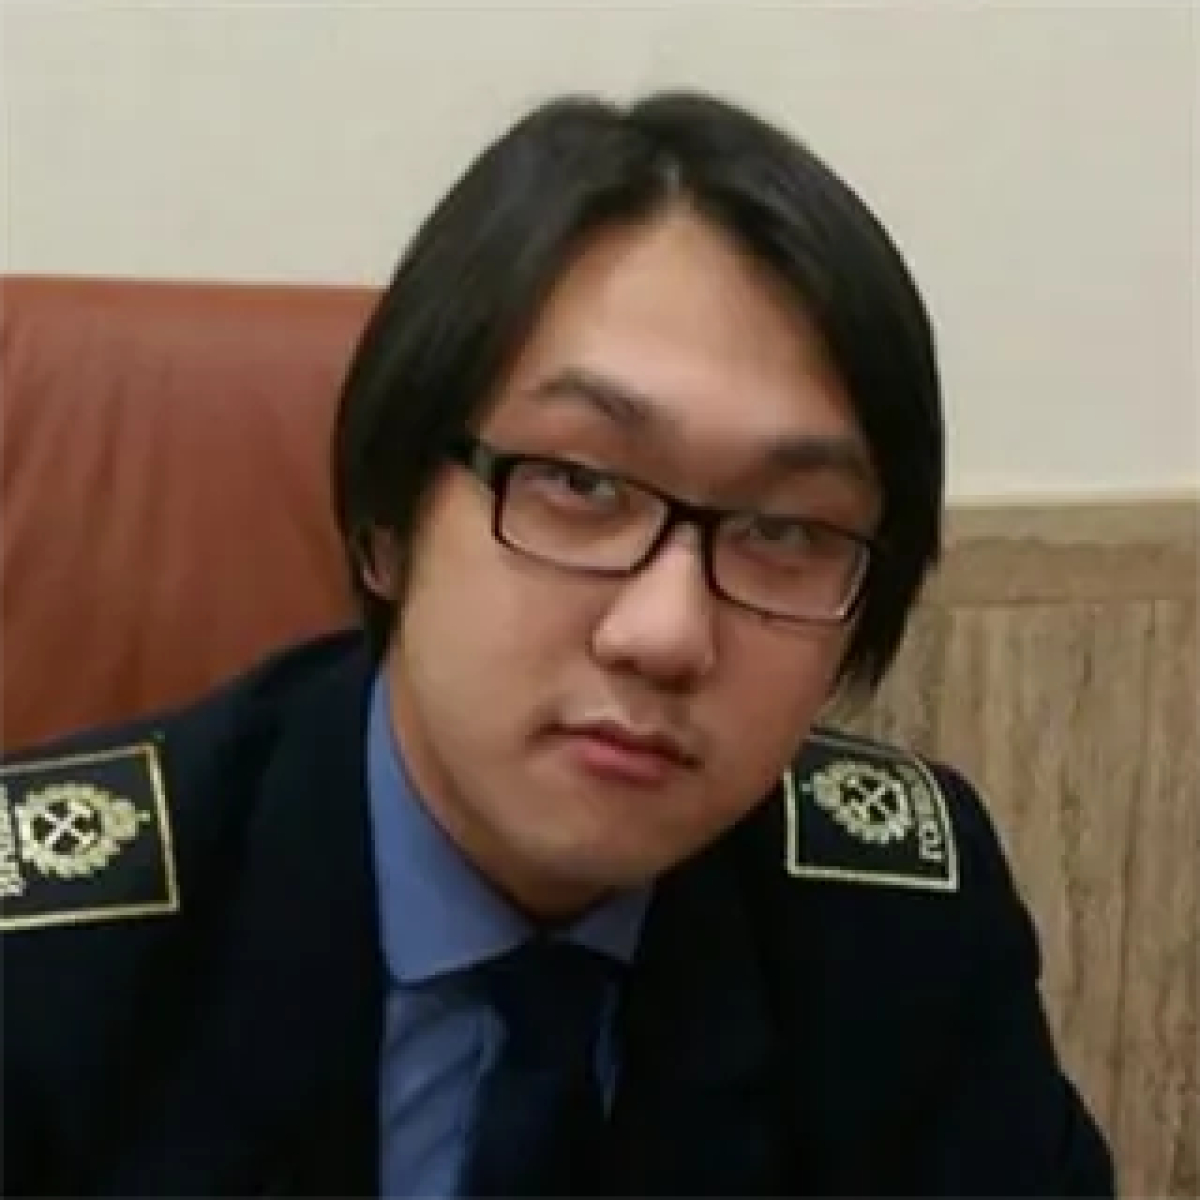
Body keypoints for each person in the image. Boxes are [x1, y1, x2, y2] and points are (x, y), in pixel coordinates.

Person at [1, 90, 1114, 1197]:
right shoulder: (50, 961)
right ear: (387, 523)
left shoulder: (897, 926)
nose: (666, 633)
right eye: (579, 485)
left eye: (785, 532)